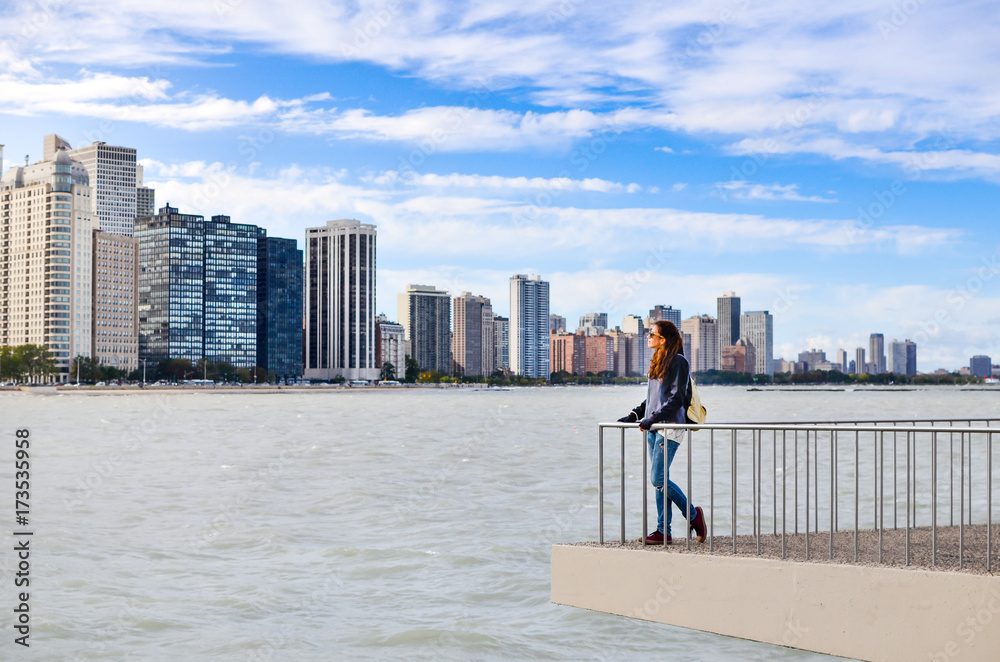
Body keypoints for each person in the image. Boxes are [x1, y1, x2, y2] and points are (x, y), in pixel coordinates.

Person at [618, 320, 706, 545]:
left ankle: (694, 516)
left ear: (663, 339)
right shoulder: (658, 360)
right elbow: (653, 398)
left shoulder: (679, 362)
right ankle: (662, 531)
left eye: (652, 334)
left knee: (658, 478)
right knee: (661, 481)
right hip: (653, 428)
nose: (648, 337)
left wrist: (652, 419)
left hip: (670, 428)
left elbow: (676, 399)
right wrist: (635, 414)